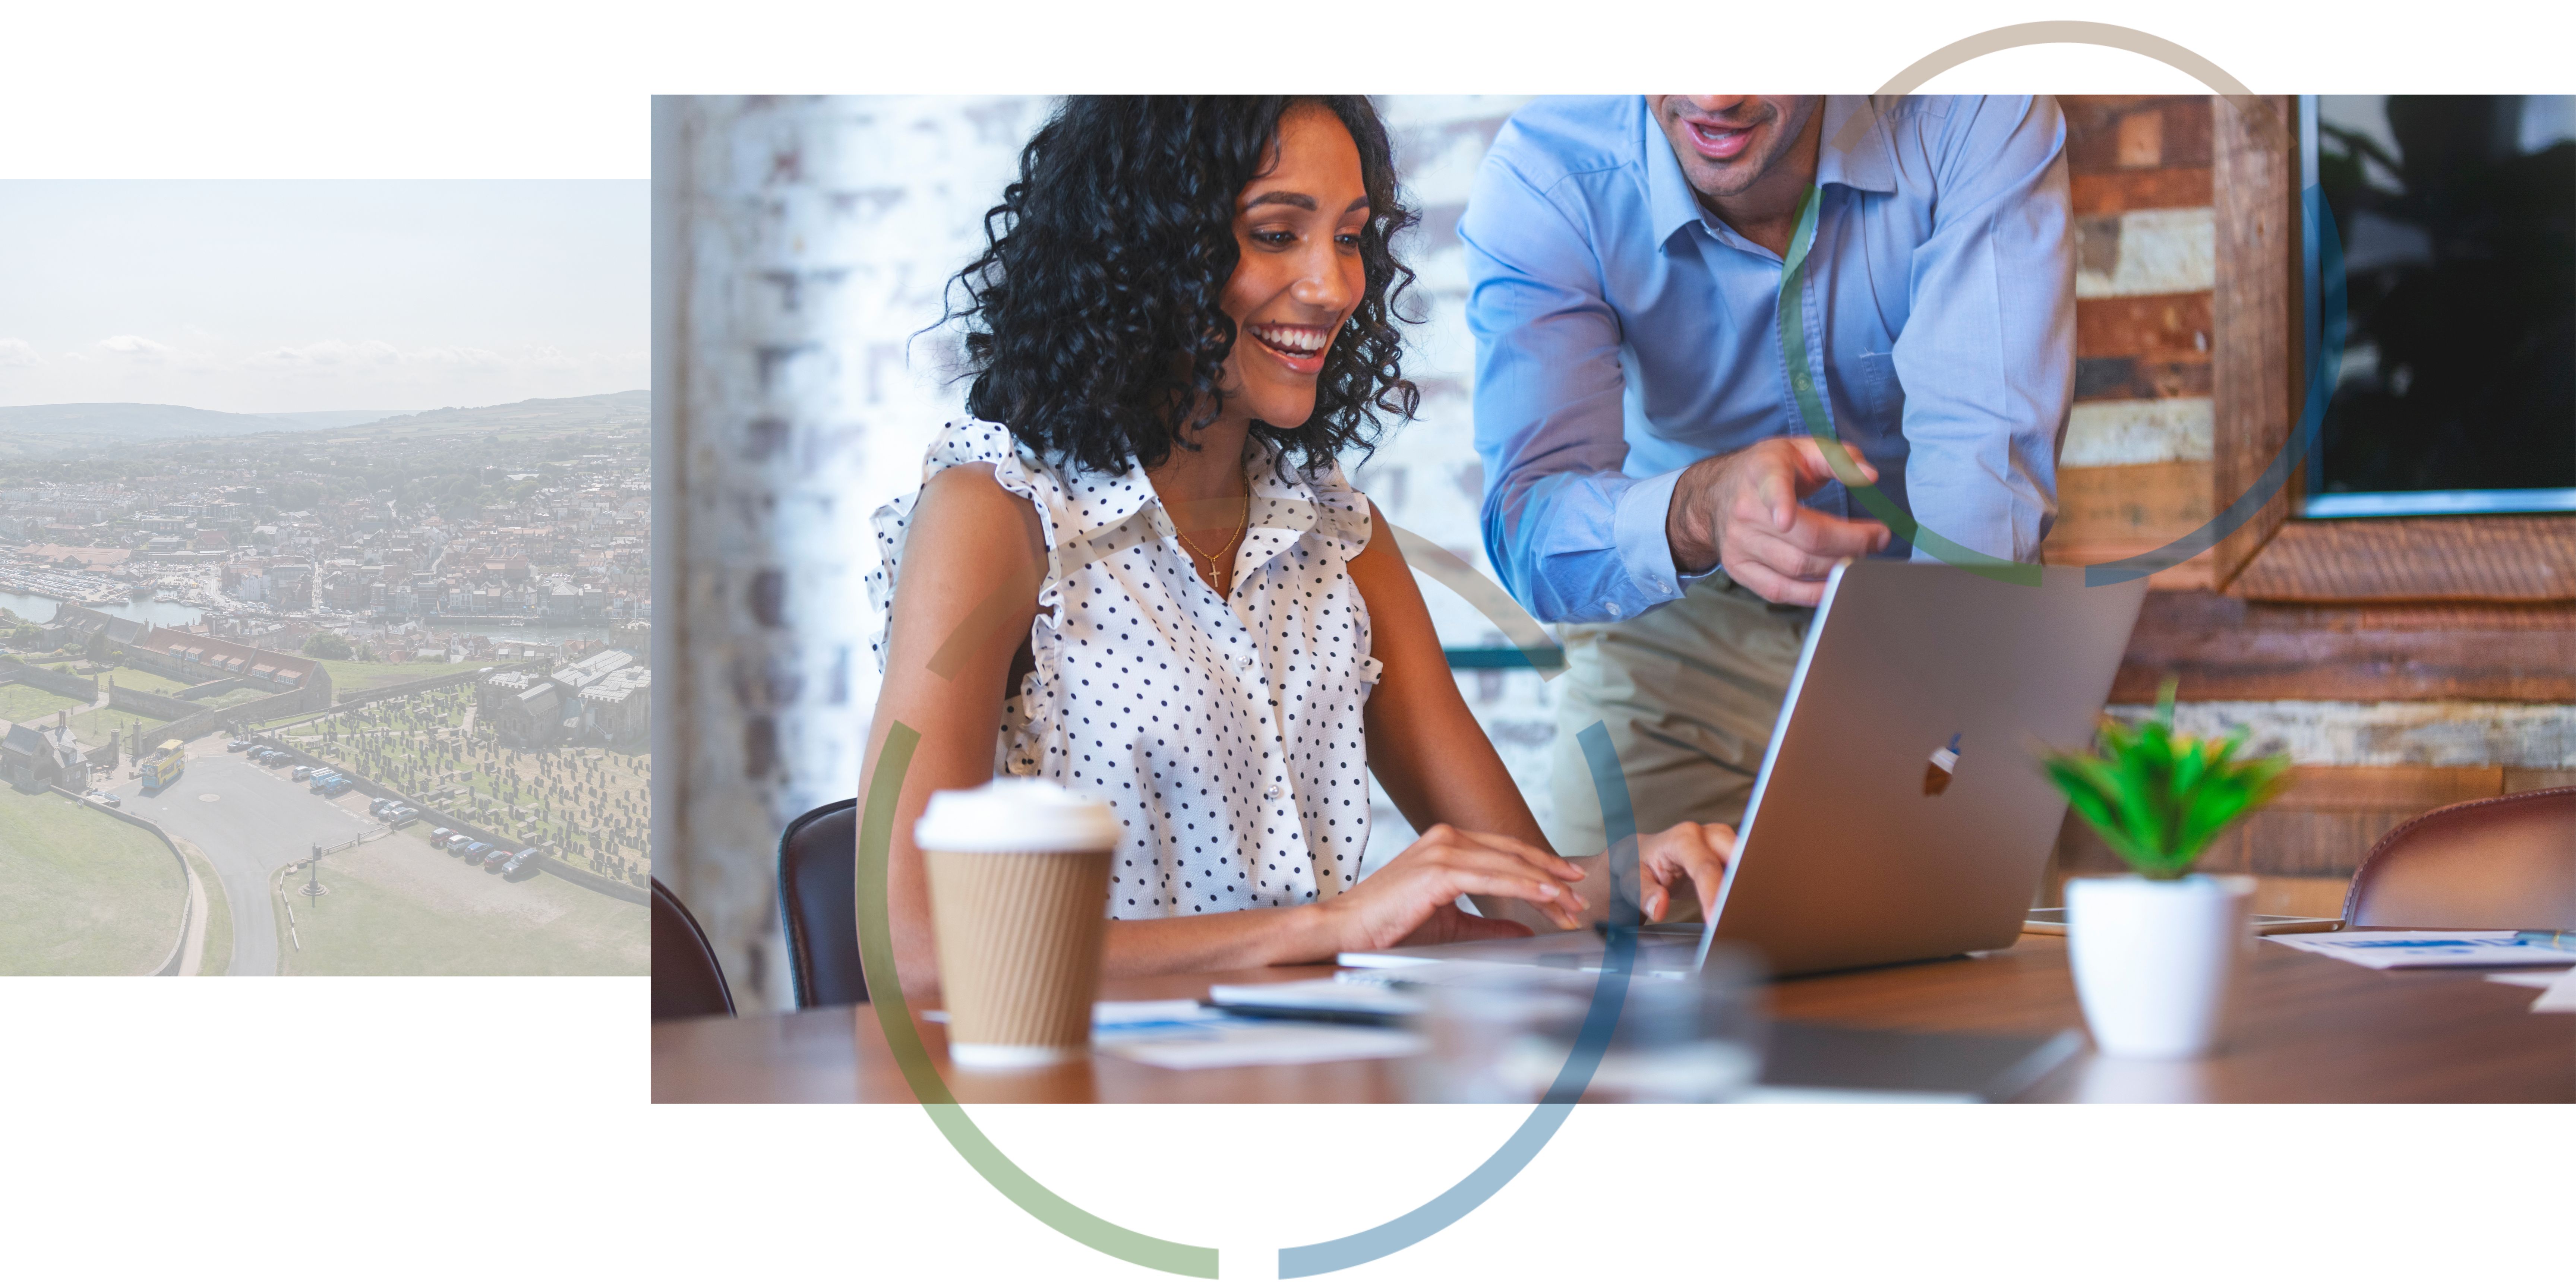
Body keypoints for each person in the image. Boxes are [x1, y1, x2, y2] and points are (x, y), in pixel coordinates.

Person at [860, 96, 1735, 993]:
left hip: (1295, 1080)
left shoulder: (1340, 537)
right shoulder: (996, 515)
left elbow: (1530, 892)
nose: (1331, 286)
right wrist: (1330, 927)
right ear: (1145, 248)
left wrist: (1630, 875)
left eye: (1351, 239)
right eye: (1276, 234)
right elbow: (920, 952)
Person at [1462, 95, 2075, 887]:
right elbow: (1531, 530)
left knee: (1964, 974)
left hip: (1930, 621)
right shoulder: (1550, 175)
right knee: (1625, 985)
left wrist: (1945, 735)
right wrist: (1699, 509)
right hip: (1671, 639)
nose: (1715, 94)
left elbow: (1984, 484)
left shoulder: (1974, 110)